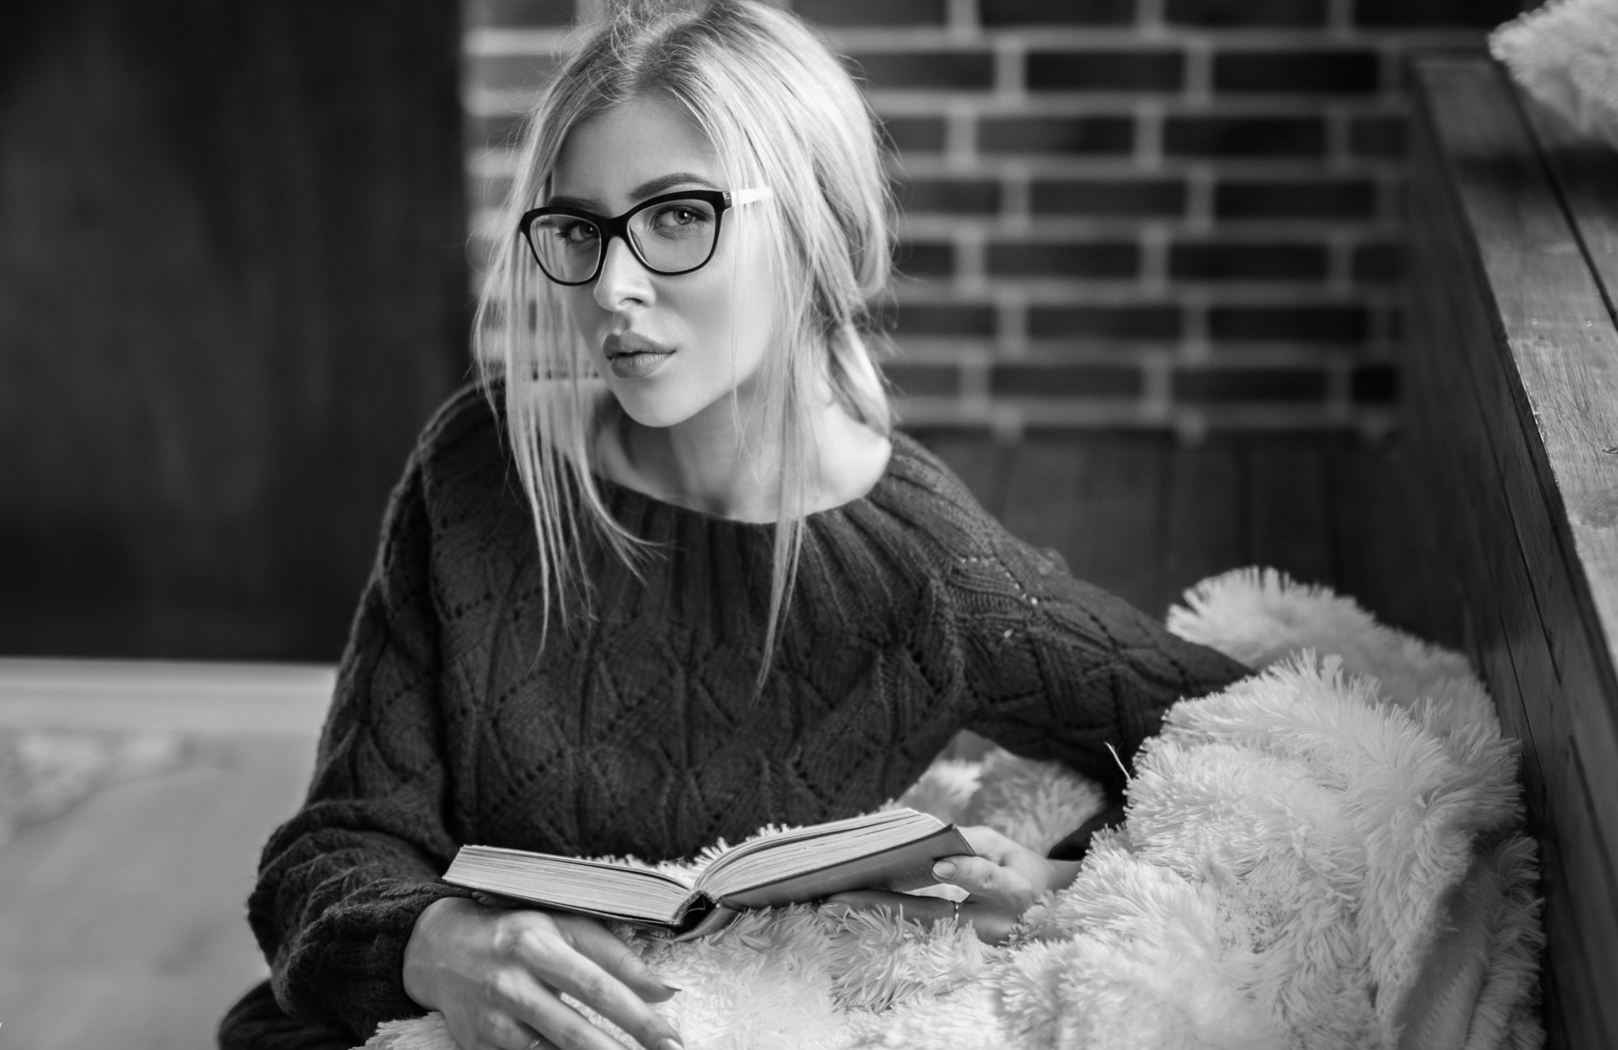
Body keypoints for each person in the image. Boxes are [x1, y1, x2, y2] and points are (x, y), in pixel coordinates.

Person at [216, 2, 1250, 1048]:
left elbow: (1251, 736)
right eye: (580, 229)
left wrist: (1058, 877)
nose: (615, 288)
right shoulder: (486, 463)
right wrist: (437, 946)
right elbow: (330, 850)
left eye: (676, 217)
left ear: (814, 226)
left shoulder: (930, 574)